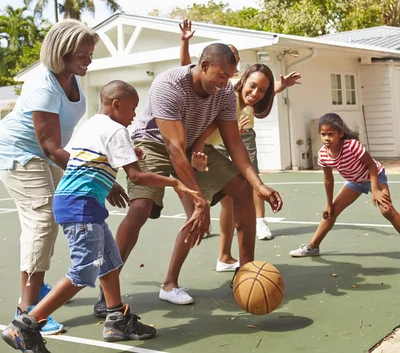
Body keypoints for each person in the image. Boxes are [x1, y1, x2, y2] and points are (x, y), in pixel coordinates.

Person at [2, 80, 200, 353]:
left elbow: (93, 157)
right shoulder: (117, 129)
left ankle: (116, 319)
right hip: (81, 204)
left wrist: (132, 153)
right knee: (83, 270)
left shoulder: (92, 125)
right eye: (132, 109)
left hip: (77, 202)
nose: (134, 116)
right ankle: (26, 323)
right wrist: (175, 182)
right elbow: (137, 176)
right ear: (116, 104)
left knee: (109, 261)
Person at [93, 42, 283, 315]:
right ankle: (107, 290)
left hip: (191, 145)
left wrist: (259, 185)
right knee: (140, 208)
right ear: (204, 65)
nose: (225, 83)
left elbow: (234, 143)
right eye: (221, 75)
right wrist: (199, 201)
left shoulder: (226, 92)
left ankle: (245, 272)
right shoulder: (168, 84)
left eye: (229, 77)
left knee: (241, 189)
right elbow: (173, 147)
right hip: (153, 143)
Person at [0, 19, 113, 335]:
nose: (89, 59)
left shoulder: (73, 80)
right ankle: (28, 311)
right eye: (83, 53)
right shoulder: (42, 84)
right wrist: (100, 172)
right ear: (62, 50)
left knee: (51, 216)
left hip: (44, 151)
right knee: (41, 220)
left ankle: (34, 285)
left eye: (90, 53)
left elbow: (60, 142)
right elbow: (51, 147)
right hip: (18, 153)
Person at [178, 20, 300, 270]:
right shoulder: (225, 95)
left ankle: (225, 256)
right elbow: (187, 71)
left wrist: (282, 85)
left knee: (232, 200)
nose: (255, 92)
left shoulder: (244, 98)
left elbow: (263, 89)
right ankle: (181, 273)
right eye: (252, 85)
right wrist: (185, 42)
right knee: (216, 204)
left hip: (213, 146)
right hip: (196, 149)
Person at [289, 113, 400, 257]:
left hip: (375, 177)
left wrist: (375, 190)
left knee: (387, 211)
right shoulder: (323, 154)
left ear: (340, 133)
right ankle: (312, 248)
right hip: (355, 182)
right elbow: (328, 180)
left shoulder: (352, 146)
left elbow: (371, 165)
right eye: (323, 134)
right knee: (331, 213)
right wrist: (328, 203)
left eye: (331, 134)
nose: (326, 138)